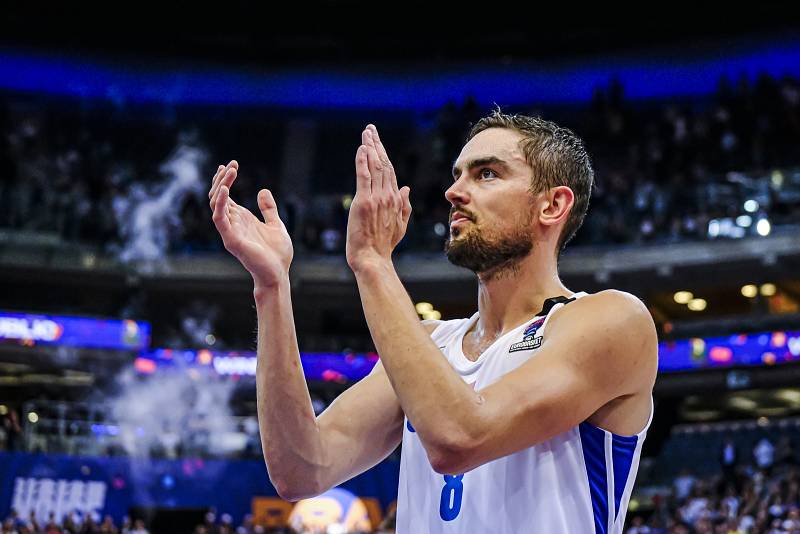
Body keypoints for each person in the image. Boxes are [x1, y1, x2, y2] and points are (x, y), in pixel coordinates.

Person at [209, 110, 658, 533]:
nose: (454, 191)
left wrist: (371, 262)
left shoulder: (611, 321)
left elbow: (459, 438)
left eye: (486, 174)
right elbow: (302, 469)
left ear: (552, 205)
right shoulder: (430, 343)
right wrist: (271, 289)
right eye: (457, 175)